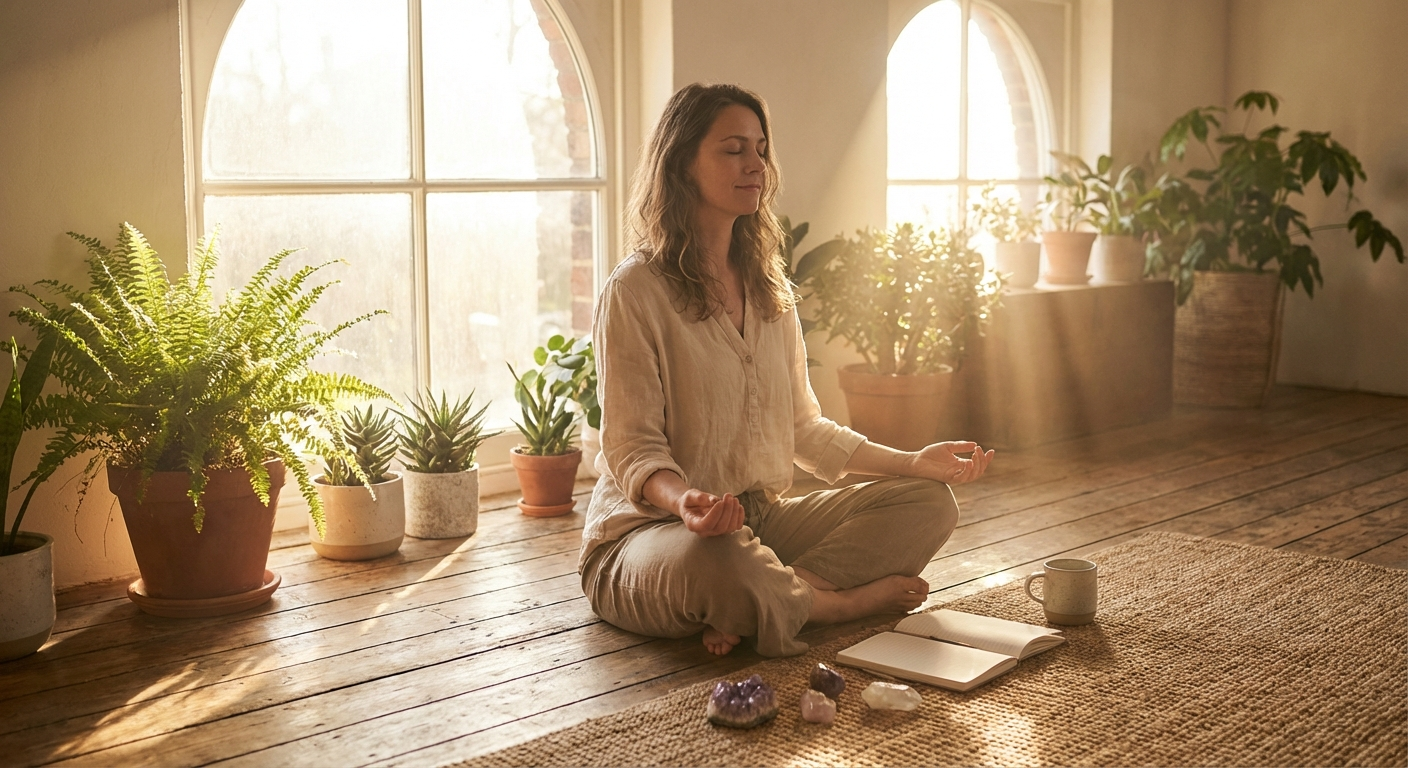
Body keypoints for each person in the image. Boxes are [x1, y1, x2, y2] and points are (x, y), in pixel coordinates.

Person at [580, 83, 995, 658]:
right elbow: (632, 448)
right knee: (717, 557)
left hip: (760, 526)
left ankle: (774, 597)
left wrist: (913, 462)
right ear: (681, 163)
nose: (756, 165)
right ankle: (832, 604)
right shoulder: (635, 291)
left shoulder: (769, 290)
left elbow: (804, 429)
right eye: (733, 149)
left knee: (928, 502)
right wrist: (686, 504)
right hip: (651, 536)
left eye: (761, 148)